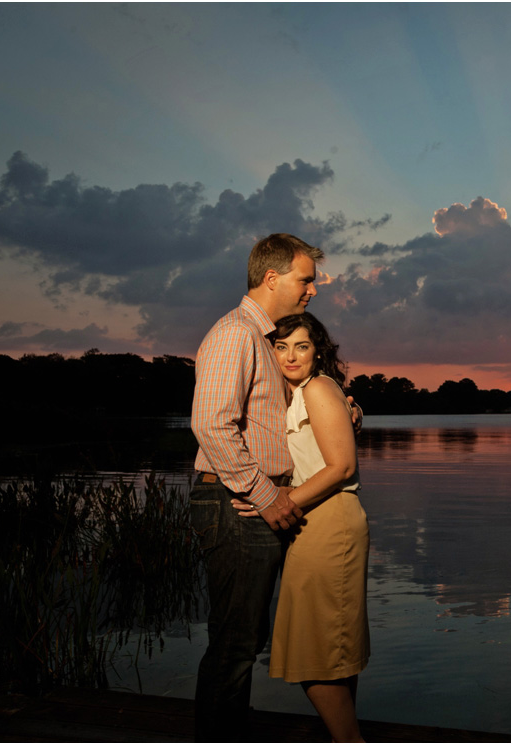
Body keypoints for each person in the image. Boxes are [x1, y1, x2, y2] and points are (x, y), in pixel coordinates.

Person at [190, 233, 341, 742]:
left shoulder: (265, 338)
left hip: (252, 501)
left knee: (245, 637)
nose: (313, 291)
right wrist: (267, 495)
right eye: (306, 280)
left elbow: (294, 405)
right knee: (234, 642)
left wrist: (350, 410)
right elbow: (212, 425)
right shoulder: (235, 333)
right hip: (236, 503)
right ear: (272, 278)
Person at [233, 312, 369, 742]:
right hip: (317, 522)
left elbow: (342, 466)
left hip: (330, 523)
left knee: (317, 650)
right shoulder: (296, 395)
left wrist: (277, 500)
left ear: (318, 351)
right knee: (333, 647)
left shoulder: (320, 388)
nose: (291, 356)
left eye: (302, 346)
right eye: (281, 346)